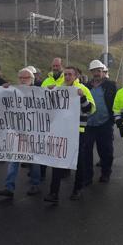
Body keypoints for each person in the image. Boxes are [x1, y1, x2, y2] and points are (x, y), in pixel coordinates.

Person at [44, 66, 95, 204]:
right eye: (65, 74)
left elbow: (89, 110)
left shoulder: (83, 89)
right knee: (57, 161)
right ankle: (54, 193)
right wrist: (47, 92)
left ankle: (77, 189)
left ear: (76, 75)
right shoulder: (58, 89)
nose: (67, 77)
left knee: (79, 162)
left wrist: (82, 97)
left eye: (70, 74)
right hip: (62, 131)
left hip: (79, 132)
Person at [0, 68, 42, 198]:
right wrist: (2, 89)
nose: (22, 80)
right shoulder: (13, 91)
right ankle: (9, 187)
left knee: (33, 160)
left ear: (32, 79)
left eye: (26, 78)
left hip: (33, 132)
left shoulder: (38, 92)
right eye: (20, 77)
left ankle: (35, 184)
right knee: (13, 160)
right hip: (16, 131)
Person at [85, 60, 117, 183]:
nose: (97, 73)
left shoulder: (110, 85)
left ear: (103, 71)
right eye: (94, 71)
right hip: (89, 124)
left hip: (105, 123)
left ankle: (106, 172)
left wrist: (113, 119)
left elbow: (115, 102)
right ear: (91, 72)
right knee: (86, 151)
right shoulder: (86, 86)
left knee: (105, 150)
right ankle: (87, 176)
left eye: (99, 71)